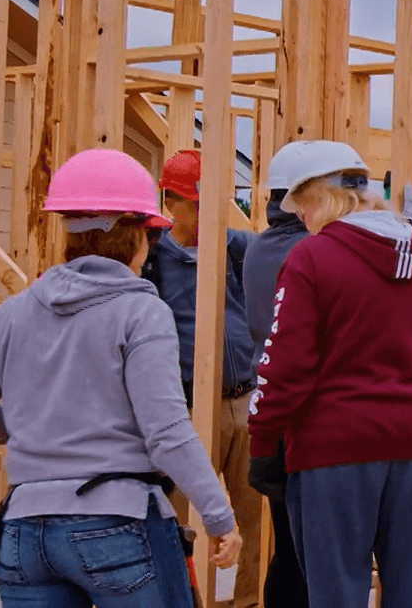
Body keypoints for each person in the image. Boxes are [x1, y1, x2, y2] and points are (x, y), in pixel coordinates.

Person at [0, 148, 243, 608]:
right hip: (118, 524)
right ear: (138, 239)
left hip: (24, 532)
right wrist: (219, 516)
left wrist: (36, 430)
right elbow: (164, 432)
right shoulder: (141, 312)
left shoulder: (11, 314)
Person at [245, 141, 412, 608]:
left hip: (334, 450)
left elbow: (284, 366)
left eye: (304, 206)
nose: (303, 218)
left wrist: (263, 442)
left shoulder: (311, 258)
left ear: (324, 197)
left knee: (338, 592)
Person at [144, 149, 264, 608]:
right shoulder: (154, 261)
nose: (210, 215)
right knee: (176, 519)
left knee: (253, 516)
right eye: (199, 204)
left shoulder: (240, 248)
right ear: (173, 202)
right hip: (188, 405)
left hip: (244, 400)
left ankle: (249, 601)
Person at [241, 141, 326, 608]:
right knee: (310, 554)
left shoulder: (260, 246)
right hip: (303, 415)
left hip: (269, 410)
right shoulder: (310, 251)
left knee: (291, 548)